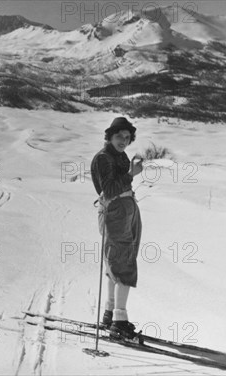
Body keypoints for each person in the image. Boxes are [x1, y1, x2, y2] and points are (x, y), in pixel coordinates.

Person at [91, 117, 143, 339]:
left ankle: (110, 312)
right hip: (117, 210)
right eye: (119, 136)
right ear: (109, 136)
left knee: (119, 260)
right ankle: (119, 320)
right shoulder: (104, 158)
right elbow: (110, 189)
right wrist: (131, 174)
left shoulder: (118, 156)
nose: (123, 140)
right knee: (123, 262)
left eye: (127, 137)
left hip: (125, 208)